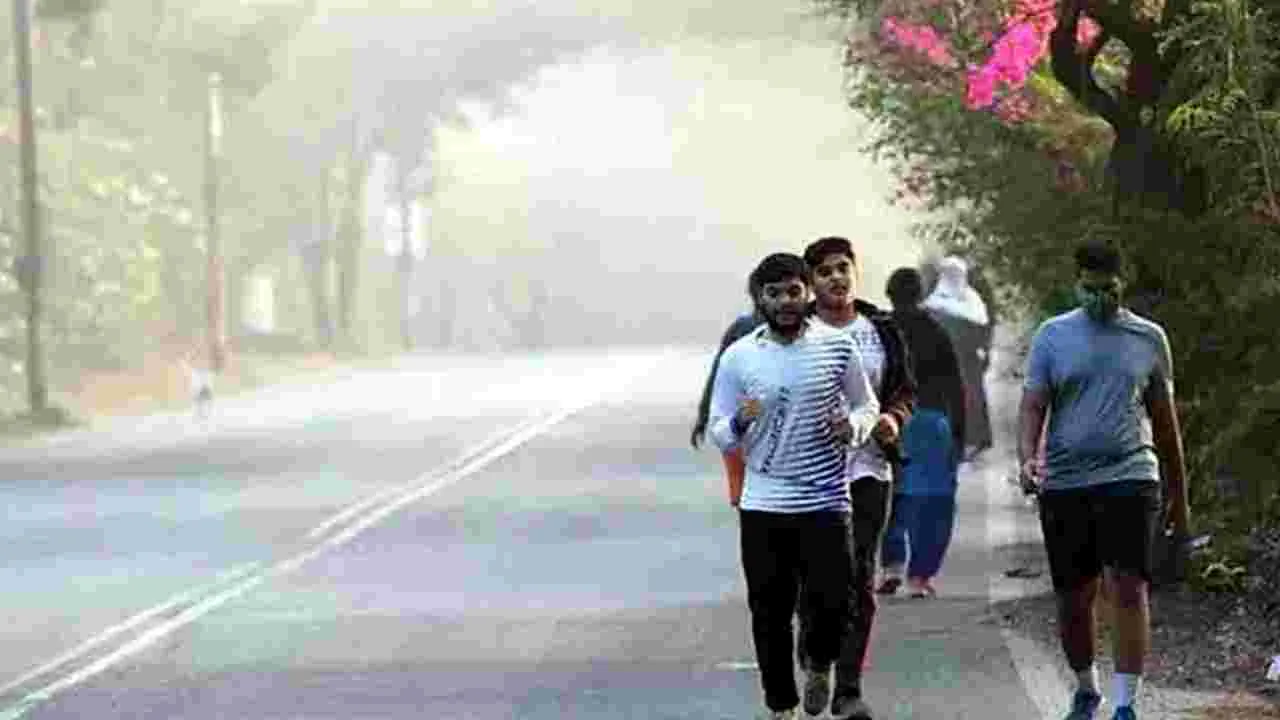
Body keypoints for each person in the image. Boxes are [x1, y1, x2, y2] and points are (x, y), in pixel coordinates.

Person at [1017, 242, 1192, 720]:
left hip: (1130, 475)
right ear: (1077, 283)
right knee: (1074, 597)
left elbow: (1165, 425)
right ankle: (1085, 688)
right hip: (1066, 482)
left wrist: (1179, 498)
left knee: (1128, 586)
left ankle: (1126, 703)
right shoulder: (1052, 336)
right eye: (1090, 289)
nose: (1100, 299)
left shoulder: (1149, 339)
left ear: (1123, 283)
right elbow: (1032, 406)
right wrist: (1028, 459)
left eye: (1108, 289)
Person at [708, 252, 881, 720]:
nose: (785, 301)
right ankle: (781, 704)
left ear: (808, 294)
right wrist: (739, 422)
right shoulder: (739, 357)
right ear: (759, 299)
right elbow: (719, 429)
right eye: (774, 293)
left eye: (793, 291)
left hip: (826, 501)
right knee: (770, 611)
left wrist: (854, 428)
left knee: (834, 601)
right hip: (764, 505)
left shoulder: (838, 347)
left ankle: (820, 663)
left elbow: (866, 405)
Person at [794, 236, 916, 720]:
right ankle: (815, 655)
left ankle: (847, 689)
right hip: (809, 472)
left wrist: (894, 419)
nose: (836, 278)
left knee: (859, 575)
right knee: (814, 578)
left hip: (868, 468)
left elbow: (904, 390)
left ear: (855, 272)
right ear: (811, 283)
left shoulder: (880, 329)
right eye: (824, 272)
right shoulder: (794, 332)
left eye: (842, 267)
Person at [877, 267, 967, 598]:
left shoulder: (879, 331)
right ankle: (920, 576)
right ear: (921, 294)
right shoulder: (936, 330)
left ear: (889, 294)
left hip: (889, 421)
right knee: (934, 502)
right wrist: (959, 433)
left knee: (891, 494)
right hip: (930, 420)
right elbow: (955, 386)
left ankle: (891, 565)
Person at [692, 273, 765, 506]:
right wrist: (704, 416)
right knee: (746, 491)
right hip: (740, 418)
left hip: (753, 421)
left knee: (750, 492)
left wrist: (703, 416)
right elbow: (718, 373)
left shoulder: (743, 327)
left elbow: (716, 373)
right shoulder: (742, 328)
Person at [923, 256, 993, 458]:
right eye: (950, 274)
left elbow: (982, 328)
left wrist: (984, 349)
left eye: (958, 274)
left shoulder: (972, 300)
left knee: (972, 398)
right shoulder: (934, 303)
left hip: (969, 359)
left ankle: (975, 440)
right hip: (946, 359)